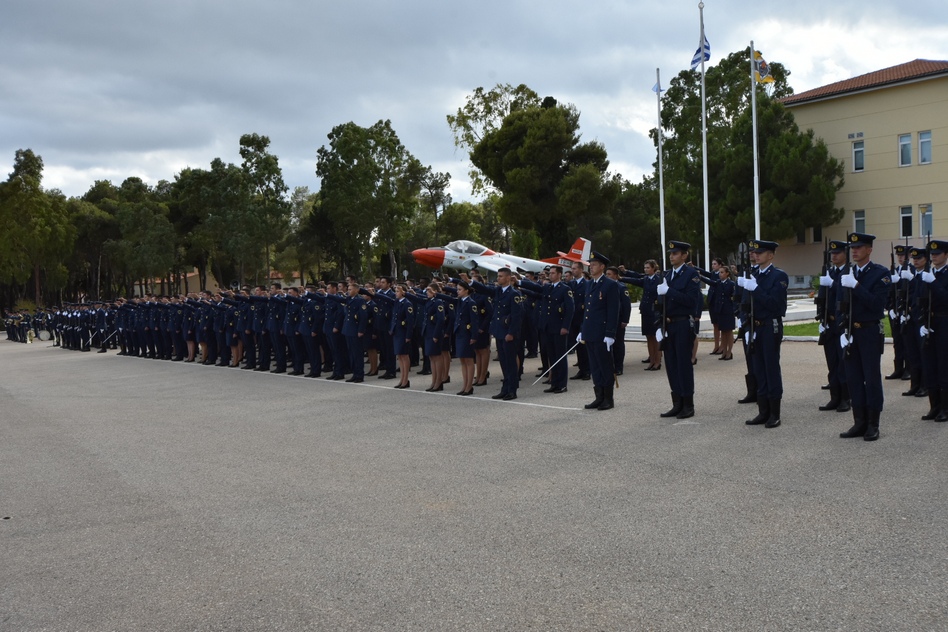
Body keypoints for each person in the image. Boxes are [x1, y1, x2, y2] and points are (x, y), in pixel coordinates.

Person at [838, 233, 891, 440]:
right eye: (853, 248)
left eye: (859, 247)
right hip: (851, 331)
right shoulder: (847, 273)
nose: (855, 251)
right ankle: (858, 422)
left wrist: (857, 286)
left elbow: (878, 305)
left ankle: (873, 423)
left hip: (869, 331)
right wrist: (842, 329)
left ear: (869, 250)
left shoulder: (880, 273)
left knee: (871, 378)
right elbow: (839, 302)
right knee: (853, 378)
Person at [740, 240, 789, 429]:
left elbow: (777, 305)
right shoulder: (752, 275)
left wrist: (757, 289)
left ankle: (774, 413)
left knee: (770, 368)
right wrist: (744, 325)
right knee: (758, 368)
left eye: (761, 252)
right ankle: (762, 411)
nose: (756, 255)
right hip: (754, 327)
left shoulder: (779, 276)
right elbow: (745, 303)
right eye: (754, 252)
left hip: (770, 326)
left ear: (771, 255)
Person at [655, 241, 703, 419]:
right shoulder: (667, 275)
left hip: (683, 324)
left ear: (684, 256)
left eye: (675, 253)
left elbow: (692, 301)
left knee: (683, 364)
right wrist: (658, 325)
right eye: (670, 253)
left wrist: (669, 292)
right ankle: (677, 403)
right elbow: (660, 303)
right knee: (671, 365)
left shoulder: (691, 274)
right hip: (668, 324)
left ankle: (688, 404)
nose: (671, 256)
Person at [470, 268, 523, 401]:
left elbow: (517, 316)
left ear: (508, 278)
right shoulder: (498, 291)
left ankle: (512, 390)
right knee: (504, 363)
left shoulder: (514, 294)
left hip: (508, 333)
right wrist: (470, 282)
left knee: (510, 363)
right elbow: (485, 290)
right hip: (499, 331)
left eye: (500, 276)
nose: (497, 278)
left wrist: (511, 332)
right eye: (498, 276)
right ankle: (505, 389)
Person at [520, 265, 574, 394]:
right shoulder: (548, 287)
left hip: (559, 327)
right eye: (550, 273)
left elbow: (570, 309)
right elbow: (536, 288)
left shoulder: (565, 289)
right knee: (552, 355)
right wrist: (519, 282)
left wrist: (565, 327)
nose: (551, 275)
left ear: (560, 275)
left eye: (554, 273)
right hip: (547, 327)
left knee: (560, 357)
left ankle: (562, 384)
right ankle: (554, 383)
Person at [577, 252, 620, 410]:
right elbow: (588, 311)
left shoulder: (610, 285)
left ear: (602, 267)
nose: (591, 266)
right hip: (590, 332)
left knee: (605, 366)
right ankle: (599, 396)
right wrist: (582, 330)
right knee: (595, 366)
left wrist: (610, 333)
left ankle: (608, 399)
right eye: (590, 264)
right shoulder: (589, 284)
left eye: (594, 264)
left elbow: (613, 311)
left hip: (602, 333)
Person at [815, 240, 852, 412]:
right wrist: (821, 319)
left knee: (843, 362)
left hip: (842, 322)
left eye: (837, 253)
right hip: (829, 322)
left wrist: (833, 284)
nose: (834, 256)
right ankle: (835, 397)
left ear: (846, 253)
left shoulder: (849, 272)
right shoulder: (829, 272)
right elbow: (822, 298)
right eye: (832, 253)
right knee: (832, 361)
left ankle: (846, 398)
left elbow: (846, 294)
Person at [621, 260, 662, 371]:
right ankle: (652, 361)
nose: (646, 270)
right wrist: (622, 278)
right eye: (645, 268)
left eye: (648, 267)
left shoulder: (659, 279)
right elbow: (635, 280)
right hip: (646, 311)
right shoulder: (645, 279)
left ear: (654, 268)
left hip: (655, 311)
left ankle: (658, 361)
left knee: (656, 337)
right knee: (648, 336)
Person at [605, 266, 631, 376]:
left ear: (615, 276)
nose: (607, 276)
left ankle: (619, 367)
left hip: (619, 320)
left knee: (618, 344)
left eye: (609, 274)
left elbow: (626, 305)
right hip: (608, 320)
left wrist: (625, 320)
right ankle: (610, 366)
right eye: (606, 274)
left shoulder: (621, 287)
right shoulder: (606, 287)